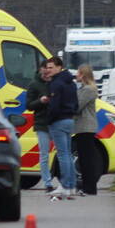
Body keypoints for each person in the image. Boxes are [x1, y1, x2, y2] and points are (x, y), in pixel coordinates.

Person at [43, 56, 78, 201]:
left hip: (58, 121)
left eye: (51, 67)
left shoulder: (56, 84)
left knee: (63, 155)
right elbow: (76, 103)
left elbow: (54, 106)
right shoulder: (71, 83)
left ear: (59, 67)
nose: (48, 70)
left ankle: (64, 186)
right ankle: (71, 187)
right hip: (69, 120)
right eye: (47, 67)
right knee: (68, 155)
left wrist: (49, 120)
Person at [25, 60, 54, 191]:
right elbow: (29, 106)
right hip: (42, 123)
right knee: (44, 154)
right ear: (41, 69)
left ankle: (65, 182)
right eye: (45, 69)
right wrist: (40, 101)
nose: (47, 72)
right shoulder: (34, 85)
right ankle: (47, 183)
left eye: (49, 69)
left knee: (63, 152)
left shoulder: (54, 82)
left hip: (55, 122)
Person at [73, 64, 100, 196]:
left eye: (78, 73)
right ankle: (87, 186)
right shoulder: (84, 89)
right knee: (84, 158)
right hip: (82, 127)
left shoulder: (88, 90)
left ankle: (90, 188)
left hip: (86, 127)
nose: (76, 75)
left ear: (83, 74)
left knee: (87, 159)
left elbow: (77, 106)